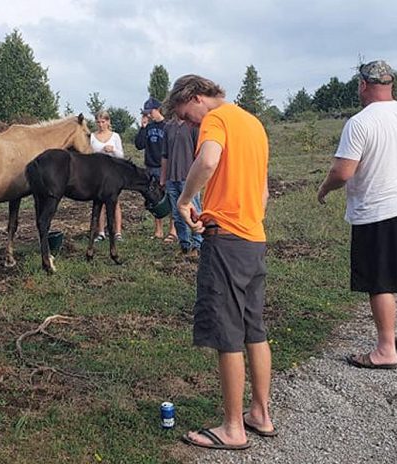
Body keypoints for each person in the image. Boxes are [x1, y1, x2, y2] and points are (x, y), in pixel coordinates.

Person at [165, 74, 274, 450]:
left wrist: (185, 202)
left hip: (225, 240)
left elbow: (208, 160)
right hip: (253, 238)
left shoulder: (217, 119)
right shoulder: (253, 123)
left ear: (196, 98)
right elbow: (262, 191)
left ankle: (233, 428)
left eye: (186, 116)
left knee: (228, 333)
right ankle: (260, 413)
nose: (189, 124)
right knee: (254, 329)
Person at [317, 60, 397, 369]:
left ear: (363, 85)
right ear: (391, 84)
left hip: (377, 212)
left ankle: (385, 350)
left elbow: (343, 171)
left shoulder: (360, 122)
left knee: (380, 281)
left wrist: (324, 189)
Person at [135, 97, 176, 241]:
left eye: (149, 112)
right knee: (154, 199)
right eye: (146, 113)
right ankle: (158, 230)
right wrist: (142, 127)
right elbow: (139, 145)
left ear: (157, 109)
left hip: (164, 167)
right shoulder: (149, 127)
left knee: (170, 198)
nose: (148, 115)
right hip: (150, 167)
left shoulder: (168, 126)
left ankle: (172, 231)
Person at [163, 115, 203, 255]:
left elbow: (200, 154)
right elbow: (165, 155)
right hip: (171, 177)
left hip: (189, 178)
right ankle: (184, 244)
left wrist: (199, 177)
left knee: (194, 211)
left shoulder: (193, 126)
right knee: (176, 213)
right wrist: (163, 178)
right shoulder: (168, 127)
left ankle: (197, 244)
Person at [90, 110, 125, 241]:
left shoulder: (115, 136)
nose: (100, 124)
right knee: (99, 203)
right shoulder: (92, 137)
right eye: (98, 122)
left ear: (108, 122)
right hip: (97, 173)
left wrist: (113, 150)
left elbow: (121, 155)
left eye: (103, 122)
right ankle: (101, 232)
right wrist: (99, 150)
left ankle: (117, 232)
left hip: (113, 173)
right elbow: (88, 154)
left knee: (115, 202)